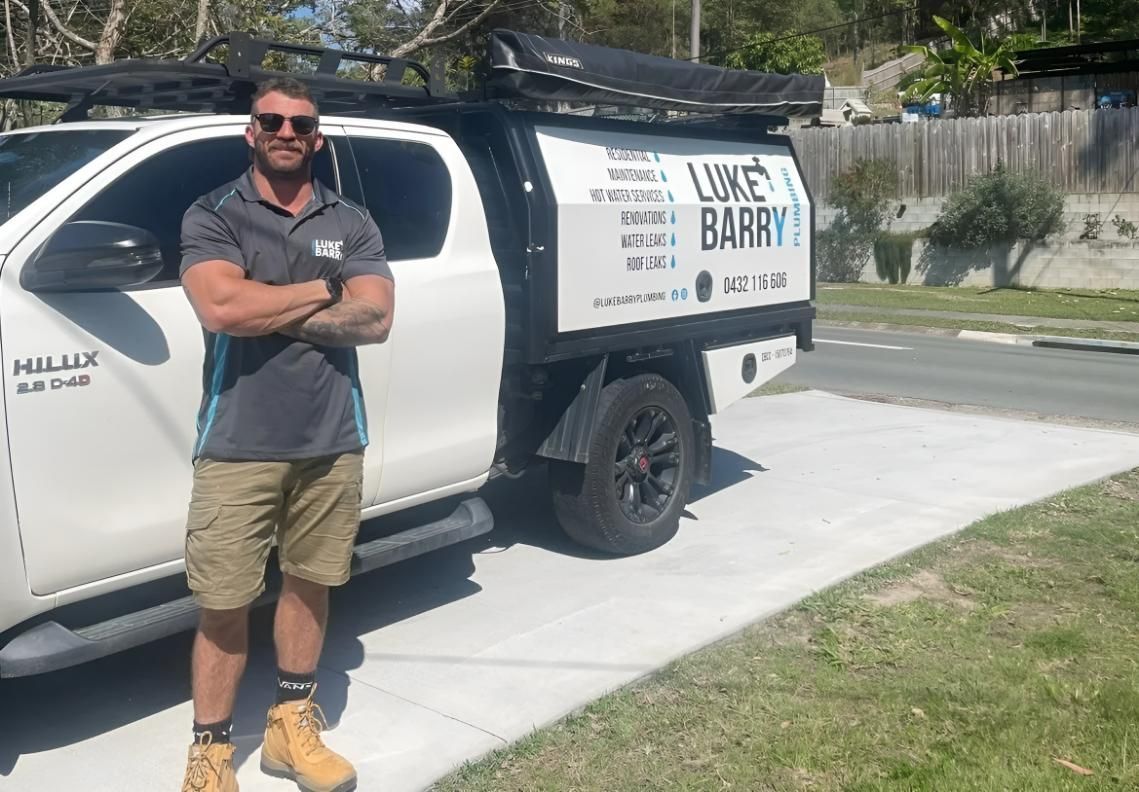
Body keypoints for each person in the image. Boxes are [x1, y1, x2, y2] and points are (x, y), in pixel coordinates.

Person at [177, 76, 394, 792]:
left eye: (301, 124)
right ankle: (211, 753)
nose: (286, 133)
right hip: (237, 441)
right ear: (251, 132)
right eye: (271, 121)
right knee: (224, 601)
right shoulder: (214, 213)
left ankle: (289, 728)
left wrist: (264, 305)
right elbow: (221, 308)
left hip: (332, 438)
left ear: (317, 139)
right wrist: (326, 288)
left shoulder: (351, 219)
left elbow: (375, 319)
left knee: (310, 585)